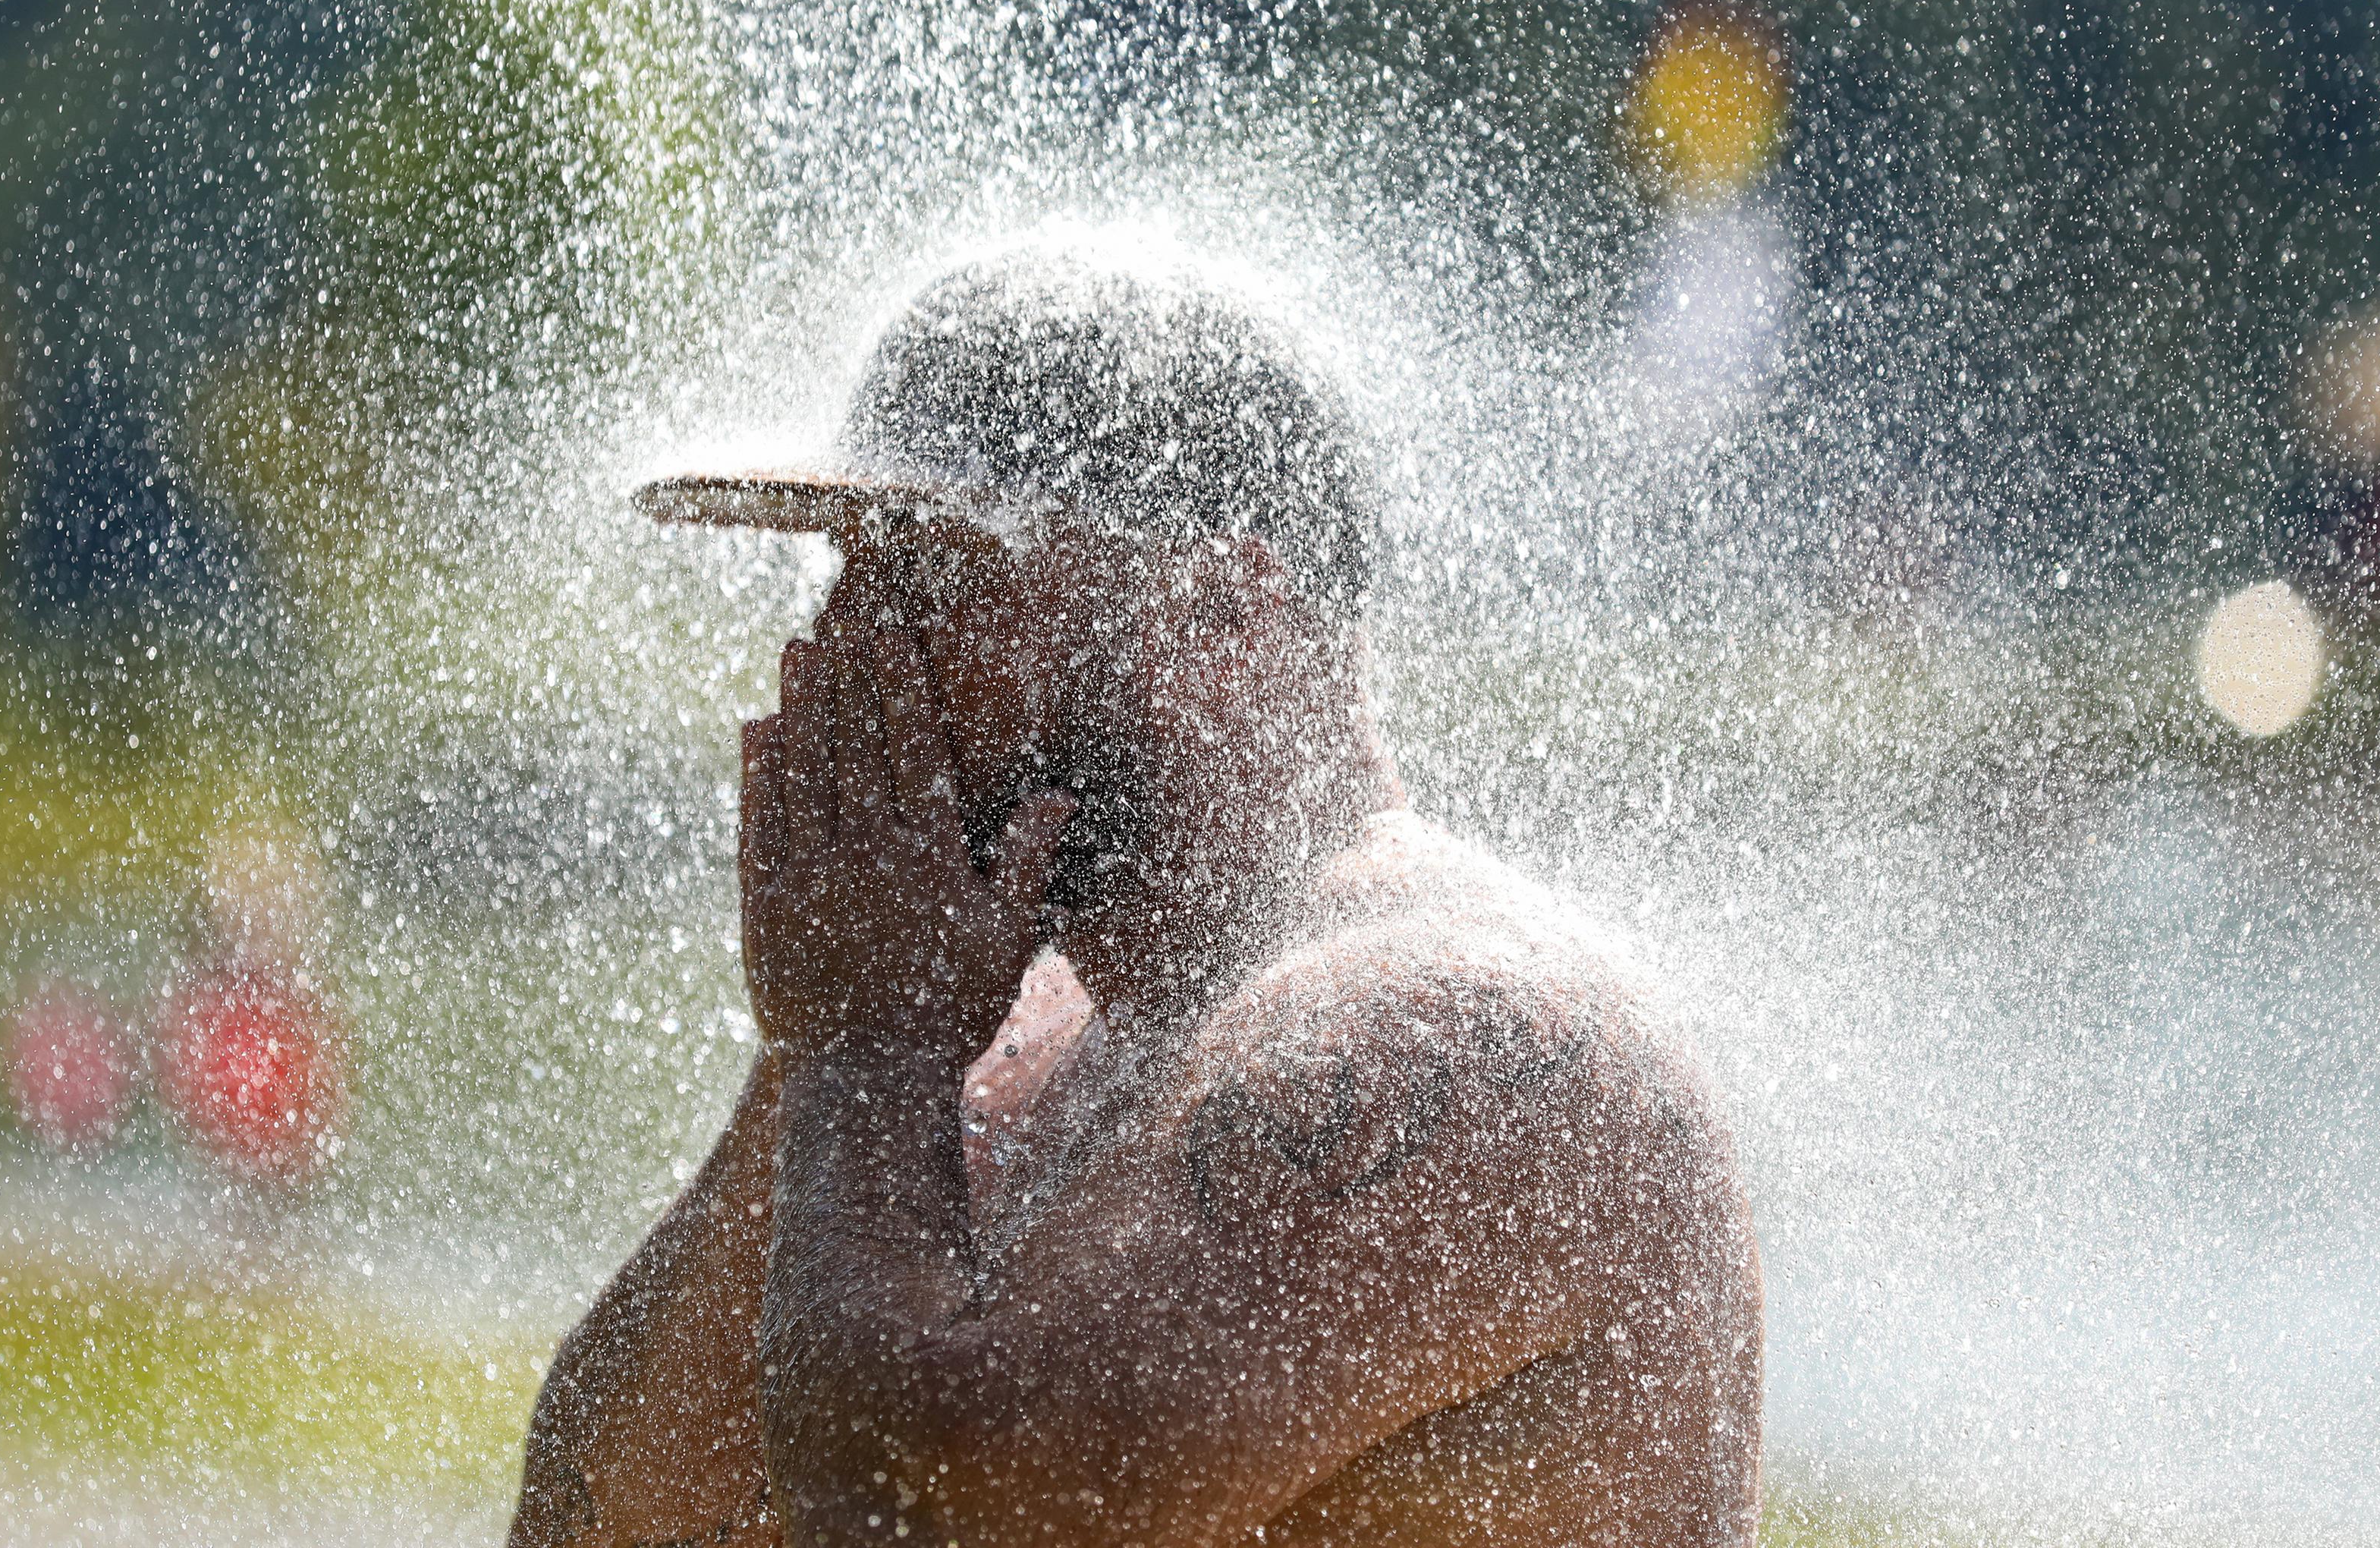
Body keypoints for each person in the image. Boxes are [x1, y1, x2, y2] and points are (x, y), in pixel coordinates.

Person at [510, 250, 1762, 1548]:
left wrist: (866, 1048)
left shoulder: (1459, 1028)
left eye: (933, 575)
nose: (851, 645)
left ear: (1225, 607)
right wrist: (820, 1048)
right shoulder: (998, 1044)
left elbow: (917, 1515)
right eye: (849, 575)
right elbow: (598, 1520)